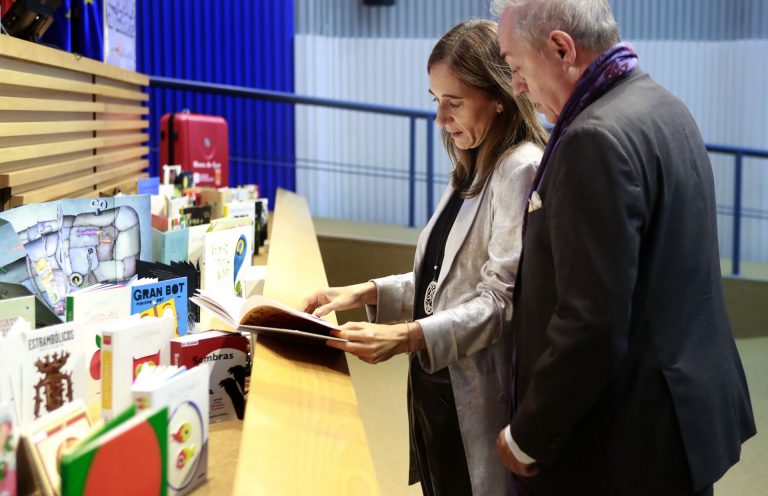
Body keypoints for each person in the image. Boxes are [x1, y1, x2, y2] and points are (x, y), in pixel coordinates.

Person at [489, 1, 757, 495]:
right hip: (678, 418)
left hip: (624, 442)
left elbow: (591, 321)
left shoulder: (593, 139)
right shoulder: (662, 104)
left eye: (515, 65)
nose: (518, 85)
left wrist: (529, 433)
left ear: (561, 48)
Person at [302, 19, 547, 496]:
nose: (440, 118)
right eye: (435, 100)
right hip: (436, 386)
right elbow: (444, 279)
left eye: (453, 102)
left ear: (498, 96)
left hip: (475, 389)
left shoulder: (520, 168)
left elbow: (500, 302)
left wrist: (406, 335)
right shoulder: (472, 163)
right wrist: (365, 291)